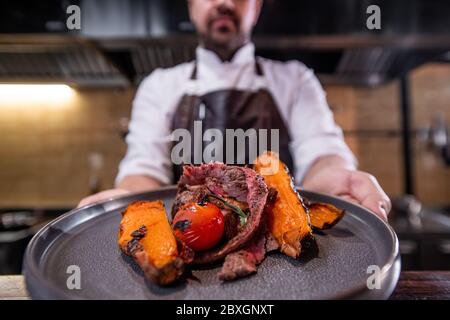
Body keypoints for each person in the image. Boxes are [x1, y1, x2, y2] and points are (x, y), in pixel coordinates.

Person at [78, 0, 391, 220]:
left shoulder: (295, 80)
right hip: (190, 240)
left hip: (281, 255)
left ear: (257, 7)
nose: (225, 1)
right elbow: (144, 172)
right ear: (191, 5)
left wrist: (336, 177)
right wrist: (128, 198)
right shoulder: (159, 86)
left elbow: (322, 152)